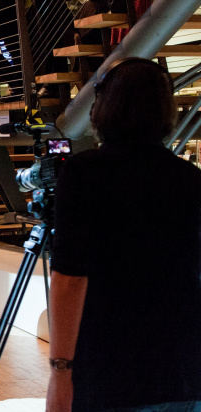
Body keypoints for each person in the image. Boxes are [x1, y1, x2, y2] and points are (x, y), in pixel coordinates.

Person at [47, 58, 201, 411]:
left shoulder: (84, 174)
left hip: (111, 374)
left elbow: (70, 281)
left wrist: (60, 373)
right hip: (184, 371)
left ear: (104, 105)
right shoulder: (190, 179)